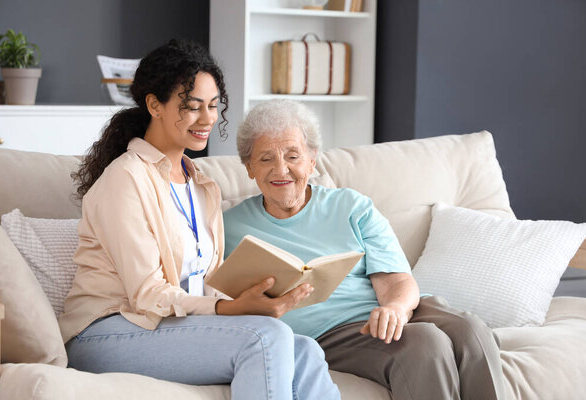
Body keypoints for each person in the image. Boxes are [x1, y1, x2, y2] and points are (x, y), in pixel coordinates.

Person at [59, 40, 340, 400]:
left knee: (306, 350)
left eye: (212, 106)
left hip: (174, 326)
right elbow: (147, 295)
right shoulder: (125, 178)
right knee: (264, 338)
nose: (207, 119)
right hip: (107, 332)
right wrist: (230, 310)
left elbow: (206, 282)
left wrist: (255, 297)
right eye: (192, 107)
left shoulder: (202, 184)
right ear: (154, 105)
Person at [223, 99, 507, 400]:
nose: (282, 170)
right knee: (424, 343)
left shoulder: (351, 206)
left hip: (389, 307)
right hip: (331, 334)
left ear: (312, 160)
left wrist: (394, 309)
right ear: (249, 167)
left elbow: (397, 281)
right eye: (266, 159)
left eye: (293, 156)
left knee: (472, 330)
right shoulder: (226, 228)